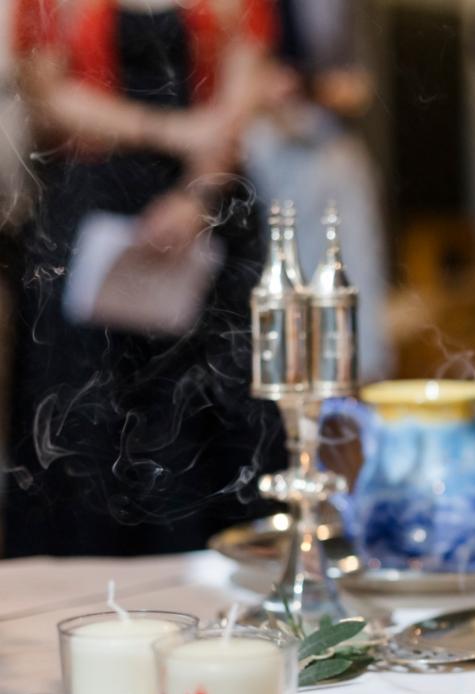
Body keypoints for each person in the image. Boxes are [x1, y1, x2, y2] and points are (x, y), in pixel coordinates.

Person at [7, 0, 284, 556]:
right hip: (93, 203)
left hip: (212, 203)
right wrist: (173, 131)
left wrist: (197, 197)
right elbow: (47, 97)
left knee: (214, 398)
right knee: (84, 410)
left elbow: (240, 97)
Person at [243, 0, 393, 383]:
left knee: (351, 277)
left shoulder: (348, 12)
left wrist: (311, 88)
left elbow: (358, 84)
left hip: (327, 139)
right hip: (263, 147)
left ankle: (351, 389)